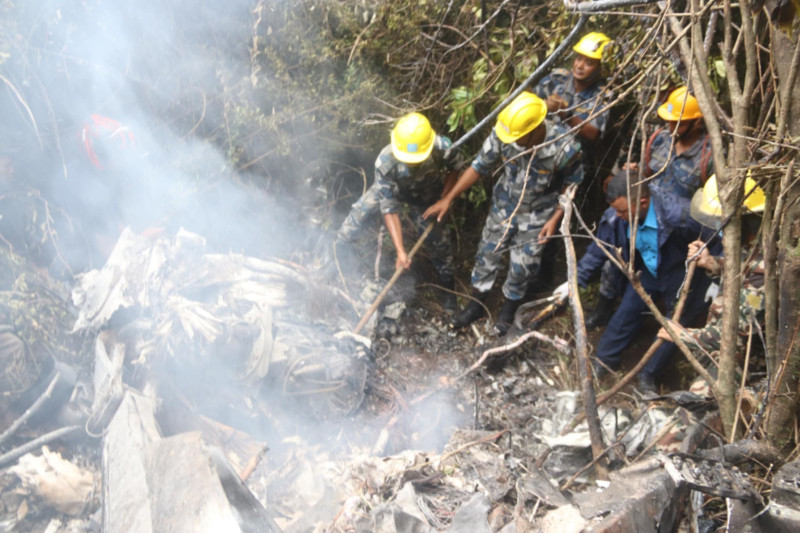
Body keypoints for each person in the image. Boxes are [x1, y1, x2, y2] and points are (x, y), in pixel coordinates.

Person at [424, 91, 583, 334]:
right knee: (487, 253)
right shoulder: (505, 132)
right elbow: (478, 167)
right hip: (504, 205)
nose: (512, 142)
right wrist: (448, 198)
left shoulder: (565, 147)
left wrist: (554, 219)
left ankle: (508, 311)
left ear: (535, 129)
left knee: (523, 265)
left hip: (538, 213)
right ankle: (476, 303)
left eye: (519, 139)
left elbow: (572, 183)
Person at [553, 170, 718, 394]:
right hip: (648, 271)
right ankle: (604, 360)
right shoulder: (616, 217)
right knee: (627, 310)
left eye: (621, 210)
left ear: (642, 202)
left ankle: (648, 373)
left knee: (673, 326)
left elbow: (715, 238)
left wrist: (714, 274)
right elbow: (598, 250)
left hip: (678, 273)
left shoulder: (678, 213)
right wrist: (573, 282)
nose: (618, 214)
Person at [583, 85, 714, 330]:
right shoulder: (659, 140)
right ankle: (604, 309)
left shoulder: (710, 156)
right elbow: (645, 173)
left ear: (697, 123)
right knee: (616, 263)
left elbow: (711, 202)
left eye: (678, 123)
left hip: (674, 229)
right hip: (642, 213)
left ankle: (658, 324)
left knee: (664, 276)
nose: (671, 127)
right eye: (669, 121)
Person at [336, 113, 460, 310]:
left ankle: (448, 289)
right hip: (393, 190)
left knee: (439, 241)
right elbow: (389, 208)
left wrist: (445, 199)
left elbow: (455, 170)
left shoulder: (443, 148)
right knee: (360, 212)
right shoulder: (385, 161)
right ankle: (337, 257)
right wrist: (401, 251)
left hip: (426, 197)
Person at [533, 31, 612, 292]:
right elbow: (529, 106)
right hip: (537, 157)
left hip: (572, 167)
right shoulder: (556, 78)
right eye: (578, 58)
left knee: (555, 218)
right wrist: (545, 105)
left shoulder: (603, 93)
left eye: (589, 62)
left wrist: (566, 114)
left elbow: (594, 133)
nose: (580, 65)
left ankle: (543, 277)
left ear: (600, 66)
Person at [656, 174, 765, 363]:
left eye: (723, 222)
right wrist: (711, 262)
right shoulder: (751, 245)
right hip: (722, 348)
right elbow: (744, 268)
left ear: (744, 221)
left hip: (749, 361)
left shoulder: (766, 268)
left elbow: (736, 336)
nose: (719, 229)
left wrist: (683, 335)